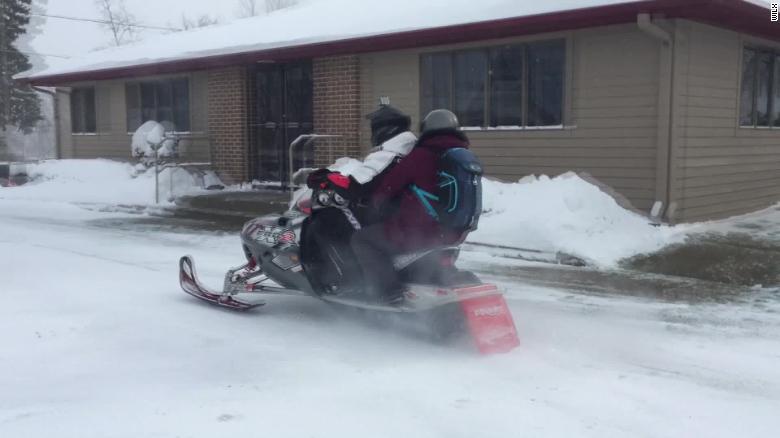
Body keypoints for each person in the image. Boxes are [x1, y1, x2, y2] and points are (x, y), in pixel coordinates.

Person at [349, 109, 470, 304]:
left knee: (363, 240)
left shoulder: (421, 155)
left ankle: (387, 293)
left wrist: (376, 203)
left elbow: (389, 186)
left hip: (420, 230)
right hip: (452, 231)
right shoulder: (461, 156)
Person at [303, 104, 417, 294]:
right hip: (400, 211)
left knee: (325, 222)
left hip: (389, 215)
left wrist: (327, 178)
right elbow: (371, 181)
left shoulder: (390, 154)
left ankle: (355, 284)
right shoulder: (407, 151)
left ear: (384, 129)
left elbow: (357, 185)